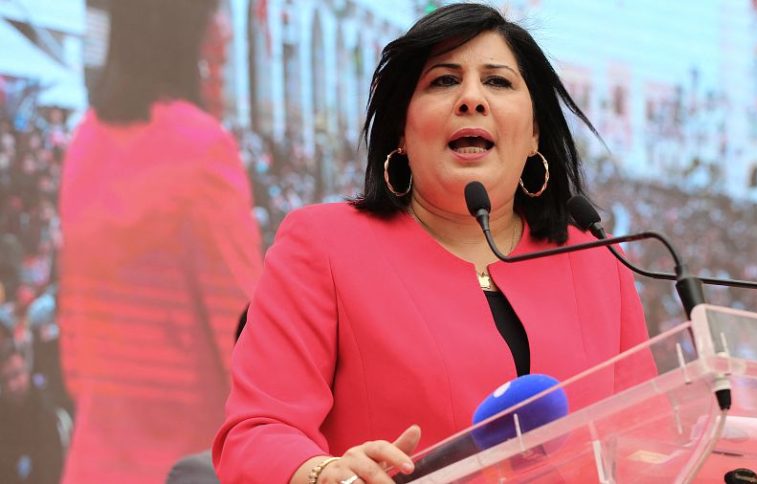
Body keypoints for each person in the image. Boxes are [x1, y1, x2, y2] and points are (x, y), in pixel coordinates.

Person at [213, 4, 651, 484]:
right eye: (444, 81)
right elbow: (256, 434)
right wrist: (327, 474)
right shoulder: (323, 246)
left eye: (498, 81)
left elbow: (647, 439)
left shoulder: (596, 260)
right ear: (401, 130)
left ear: (534, 134)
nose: (471, 99)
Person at [58, 0, 262, 482]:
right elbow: (248, 347)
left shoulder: (85, 139)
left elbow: (75, 350)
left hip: (96, 463)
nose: (224, 31)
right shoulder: (202, 148)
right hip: (189, 462)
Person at [0, 342, 64, 484]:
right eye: (4, 380)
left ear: (27, 372)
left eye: (16, 375)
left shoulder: (46, 413)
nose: (12, 386)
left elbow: (53, 469)